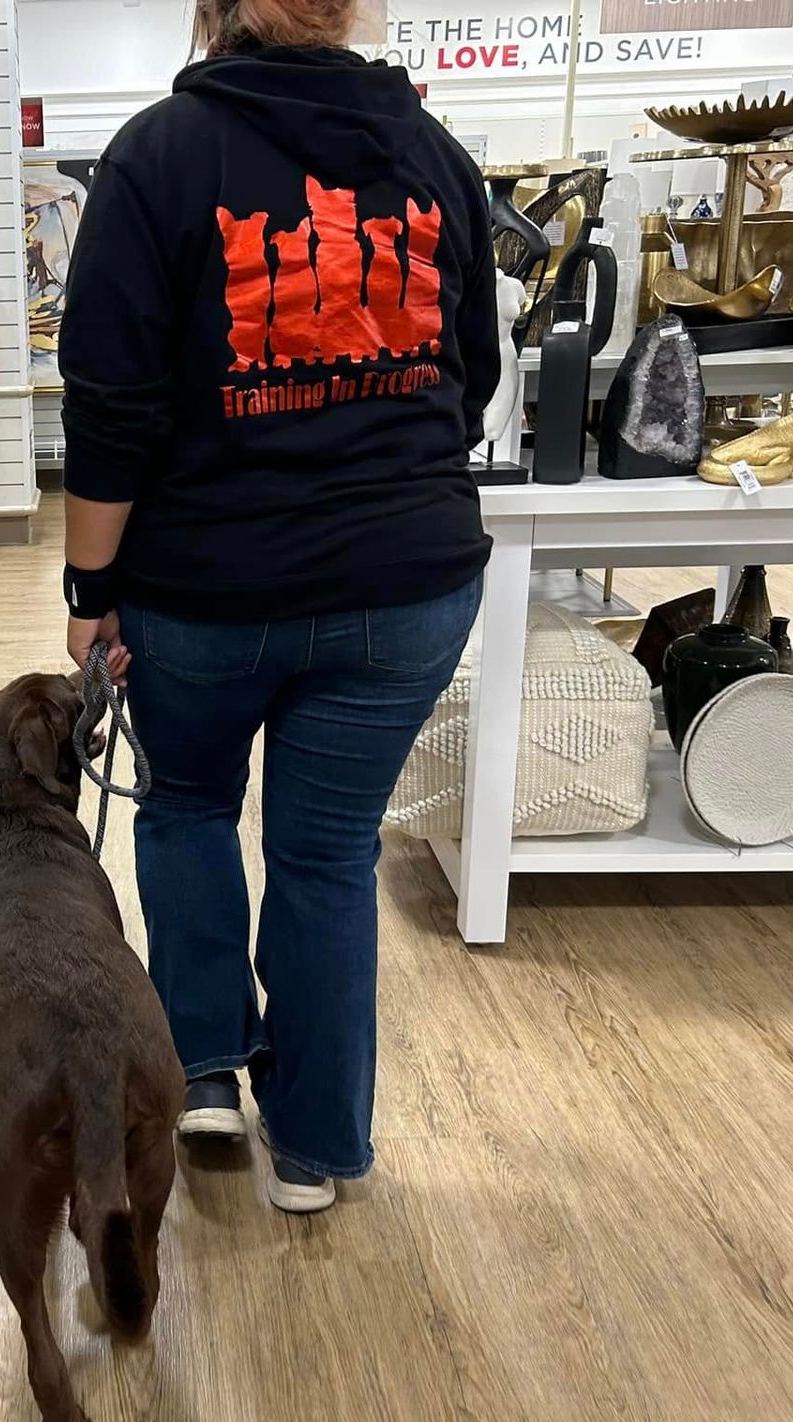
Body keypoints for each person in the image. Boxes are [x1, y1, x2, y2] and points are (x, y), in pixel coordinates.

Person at [57, 0, 499, 1213]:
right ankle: (312, 1150)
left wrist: (91, 593)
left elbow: (109, 406)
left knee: (189, 805)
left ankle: (204, 1071)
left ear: (212, 11)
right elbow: (474, 382)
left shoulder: (155, 157)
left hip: (206, 589)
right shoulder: (438, 159)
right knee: (326, 855)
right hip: (404, 584)